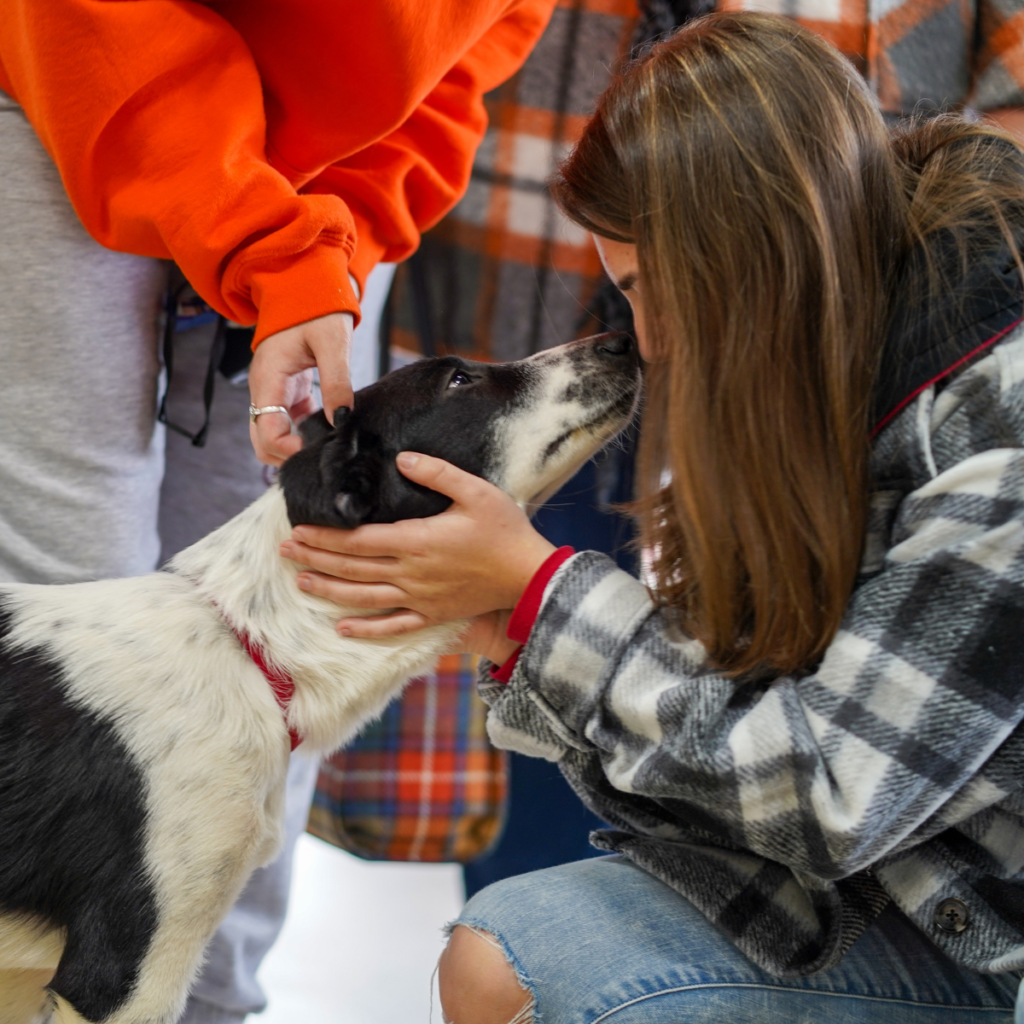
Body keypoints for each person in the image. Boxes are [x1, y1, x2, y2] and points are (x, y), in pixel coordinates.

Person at [280, 13, 1024, 1022]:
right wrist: (523, 633)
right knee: (501, 951)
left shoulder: (1000, 409)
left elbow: (828, 797)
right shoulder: (827, 344)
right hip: (906, 882)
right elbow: (732, 762)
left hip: (980, 934)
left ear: (751, 246)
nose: (646, 338)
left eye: (643, 287)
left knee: (593, 987)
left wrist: (546, 600)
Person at [0, 3, 556, 1021]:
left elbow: (457, 61)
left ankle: (202, 1004)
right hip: (72, 90)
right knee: (66, 608)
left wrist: (323, 252)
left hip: (331, 184)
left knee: (296, 643)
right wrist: (268, 245)